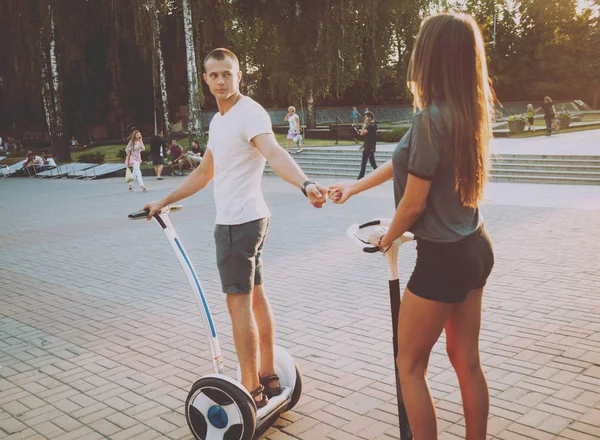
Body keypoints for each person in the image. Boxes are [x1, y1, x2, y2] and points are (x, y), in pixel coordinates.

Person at [330, 13, 495, 440]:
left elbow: (414, 202)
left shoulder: (429, 119)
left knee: (409, 365)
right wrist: (355, 187)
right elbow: (404, 160)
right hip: (476, 246)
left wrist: (386, 237)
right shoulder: (469, 111)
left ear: (431, 57)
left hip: (443, 259)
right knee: (466, 361)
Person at [142, 47, 327, 409]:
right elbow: (204, 172)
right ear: (206, 79)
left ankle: (251, 387)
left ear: (239, 74)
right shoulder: (219, 120)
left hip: (239, 224)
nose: (221, 81)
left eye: (227, 73)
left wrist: (305, 185)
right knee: (255, 297)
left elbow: (274, 153)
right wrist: (163, 201)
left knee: (237, 303)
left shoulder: (249, 113)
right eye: (214, 75)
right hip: (247, 220)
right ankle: (269, 376)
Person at [357, 111, 378, 179]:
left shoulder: (371, 126)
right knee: (373, 163)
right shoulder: (373, 125)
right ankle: (379, 176)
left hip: (369, 148)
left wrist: (364, 124)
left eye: (366, 118)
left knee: (363, 163)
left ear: (369, 118)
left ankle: (360, 178)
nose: (365, 119)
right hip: (370, 146)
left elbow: (362, 133)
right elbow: (370, 137)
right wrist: (363, 145)